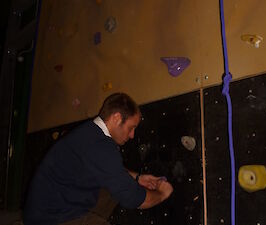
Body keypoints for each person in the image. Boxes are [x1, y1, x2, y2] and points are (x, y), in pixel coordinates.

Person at [23, 93, 173, 225]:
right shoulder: (99, 145)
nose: (132, 135)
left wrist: (138, 178)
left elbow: (112, 171)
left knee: (115, 188)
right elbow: (135, 199)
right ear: (116, 118)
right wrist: (162, 193)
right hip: (49, 218)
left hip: (48, 206)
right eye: (131, 128)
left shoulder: (91, 134)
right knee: (125, 191)